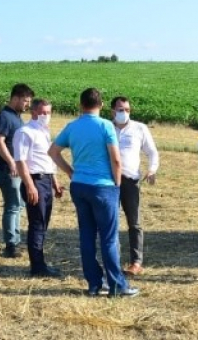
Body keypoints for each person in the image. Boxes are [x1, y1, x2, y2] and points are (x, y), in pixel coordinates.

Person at [49, 87, 138, 298]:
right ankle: (117, 285)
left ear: (81, 105)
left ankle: (94, 284)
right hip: (103, 186)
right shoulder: (106, 126)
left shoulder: (72, 126)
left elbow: (53, 152)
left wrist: (71, 172)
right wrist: (117, 184)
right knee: (108, 238)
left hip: (79, 185)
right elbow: (116, 159)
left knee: (86, 236)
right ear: (102, 105)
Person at [109, 96, 160, 276]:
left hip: (131, 181)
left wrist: (152, 170)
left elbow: (152, 152)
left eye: (127, 110)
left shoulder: (140, 128)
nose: (125, 113)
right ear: (112, 111)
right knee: (110, 222)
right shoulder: (106, 128)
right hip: (109, 182)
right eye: (121, 109)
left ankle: (136, 262)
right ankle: (112, 261)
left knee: (134, 222)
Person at [14, 98, 64, 277]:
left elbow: (47, 160)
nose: (46, 116)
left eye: (49, 113)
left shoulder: (44, 132)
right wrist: (30, 186)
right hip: (34, 180)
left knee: (43, 223)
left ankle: (41, 262)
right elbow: (20, 161)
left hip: (46, 180)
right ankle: (37, 266)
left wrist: (55, 182)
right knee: (37, 224)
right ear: (33, 112)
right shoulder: (25, 132)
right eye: (43, 112)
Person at [0, 83, 34, 258]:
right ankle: (11, 244)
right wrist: (11, 163)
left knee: (18, 205)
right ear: (15, 98)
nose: (27, 105)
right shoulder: (3, 117)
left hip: (16, 170)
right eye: (25, 101)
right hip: (7, 171)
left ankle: (15, 240)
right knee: (13, 206)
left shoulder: (17, 117)